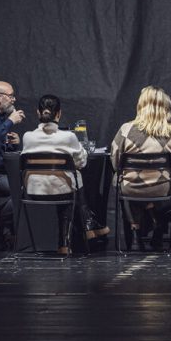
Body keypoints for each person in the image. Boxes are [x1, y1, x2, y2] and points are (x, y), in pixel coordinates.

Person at [20, 94, 109, 253]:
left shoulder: (27, 137)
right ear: (59, 114)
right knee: (73, 179)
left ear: (38, 113)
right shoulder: (68, 137)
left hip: (33, 191)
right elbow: (82, 162)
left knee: (68, 180)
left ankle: (75, 235)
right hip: (62, 191)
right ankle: (84, 228)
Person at [110, 86, 171, 250]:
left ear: (141, 105)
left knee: (123, 182)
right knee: (151, 186)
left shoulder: (126, 130)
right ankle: (157, 225)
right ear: (164, 107)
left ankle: (135, 235)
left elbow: (115, 163)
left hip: (131, 188)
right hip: (161, 190)